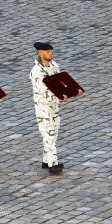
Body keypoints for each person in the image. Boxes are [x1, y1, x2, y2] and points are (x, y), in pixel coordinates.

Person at [30, 42, 75, 175]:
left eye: (51, 51)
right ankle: (53, 164)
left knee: (53, 132)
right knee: (49, 133)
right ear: (40, 53)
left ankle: (46, 160)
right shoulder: (36, 72)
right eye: (47, 52)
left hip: (54, 106)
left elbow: (61, 82)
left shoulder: (54, 65)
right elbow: (44, 91)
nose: (50, 54)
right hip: (43, 106)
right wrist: (59, 98)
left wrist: (73, 90)